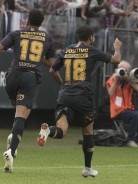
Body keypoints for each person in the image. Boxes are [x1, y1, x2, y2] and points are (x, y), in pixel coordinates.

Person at [37, 25, 122, 177]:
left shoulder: (67, 50)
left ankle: (48, 130)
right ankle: (87, 168)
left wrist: (63, 83)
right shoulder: (91, 50)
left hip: (65, 95)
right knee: (88, 132)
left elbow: (52, 70)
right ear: (91, 37)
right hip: (82, 95)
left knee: (61, 130)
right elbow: (116, 59)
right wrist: (117, 47)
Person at [0, 9, 56, 173]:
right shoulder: (47, 38)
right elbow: (52, 65)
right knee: (21, 115)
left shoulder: (16, 33)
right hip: (29, 77)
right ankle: (11, 151)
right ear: (41, 23)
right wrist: (38, 59)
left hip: (12, 76)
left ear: (27, 21)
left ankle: (13, 137)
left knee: (17, 108)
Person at [106, 60, 138, 148]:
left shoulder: (129, 80)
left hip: (128, 109)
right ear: (118, 69)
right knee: (135, 115)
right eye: (123, 69)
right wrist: (116, 80)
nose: (125, 72)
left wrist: (129, 80)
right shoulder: (112, 79)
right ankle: (130, 140)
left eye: (127, 70)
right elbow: (110, 93)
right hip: (117, 111)